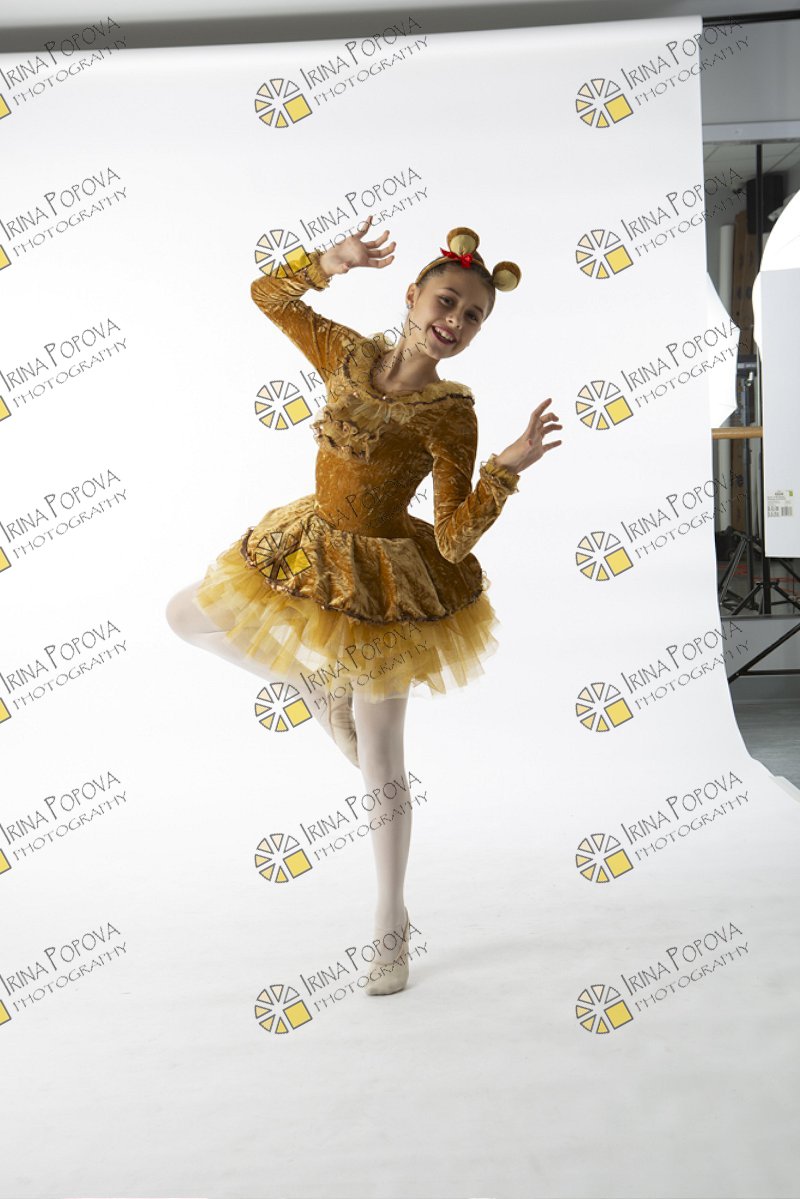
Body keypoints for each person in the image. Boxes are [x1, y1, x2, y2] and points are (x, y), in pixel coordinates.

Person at [165, 215, 562, 996]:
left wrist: (506, 469)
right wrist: (330, 261)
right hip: (309, 545)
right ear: (412, 295)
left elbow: (452, 538)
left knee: (380, 756)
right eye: (447, 302)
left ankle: (390, 923)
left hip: (386, 581)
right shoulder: (347, 355)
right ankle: (311, 681)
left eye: (473, 316)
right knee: (185, 614)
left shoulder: (451, 412)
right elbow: (268, 295)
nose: (454, 321)